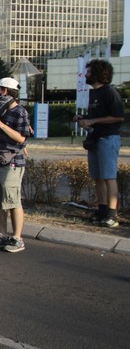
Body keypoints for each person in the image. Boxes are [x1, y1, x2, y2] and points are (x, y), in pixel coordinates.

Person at [75, 59, 124, 229]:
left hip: (108, 139)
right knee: (98, 177)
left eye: (89, 72)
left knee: (109, 176)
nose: (86, 75)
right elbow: (96, 117)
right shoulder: (94, 93)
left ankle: (112, 214)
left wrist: (93, 121)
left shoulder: (110, 92)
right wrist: (84, 119)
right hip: (95, 139)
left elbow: (118, 116)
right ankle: (102, 211)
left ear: (97, 74)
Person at [0, 77, 31, 253]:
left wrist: (1, 125)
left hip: (12, 163)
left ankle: (17, 238)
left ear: (5, 91)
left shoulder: (20, 112)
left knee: (12, 201)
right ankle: (2, 235)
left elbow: (21, 138)